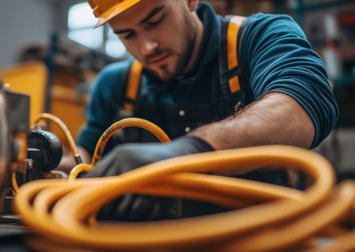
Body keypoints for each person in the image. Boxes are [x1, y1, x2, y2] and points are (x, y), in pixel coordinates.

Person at [58, 0, 338, 220]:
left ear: (191, 0)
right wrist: (51, 164)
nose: (147, 47)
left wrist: (188, 153)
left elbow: (301, 104)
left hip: (261, 237)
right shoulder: (115, 84)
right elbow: (86, 154)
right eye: (127, 35)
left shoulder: (259, 37)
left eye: (155, 20)